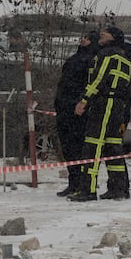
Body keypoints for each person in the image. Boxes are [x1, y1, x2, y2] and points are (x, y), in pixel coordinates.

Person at [71, 25, 131, 201]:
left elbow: (99, 79)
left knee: (92, 145)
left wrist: (84, 100)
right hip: (117, 107)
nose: (101, 34)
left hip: (104, 104)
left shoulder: (107, 55)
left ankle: (87, 190)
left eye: (105, 33)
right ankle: (118, 188)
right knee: (112, 146)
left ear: (113, 38)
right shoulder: (125, 60)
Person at [53, 30, 99, 197]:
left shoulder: (93, 60)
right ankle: (73, 183)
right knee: (68, 149)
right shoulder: (75, 58)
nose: (83, 40)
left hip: (78, 110)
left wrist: (81, 102)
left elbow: (90, 85)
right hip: (64, 108)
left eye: (87, 38)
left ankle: (82, 184)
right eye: (83, 37)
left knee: (79, 148)